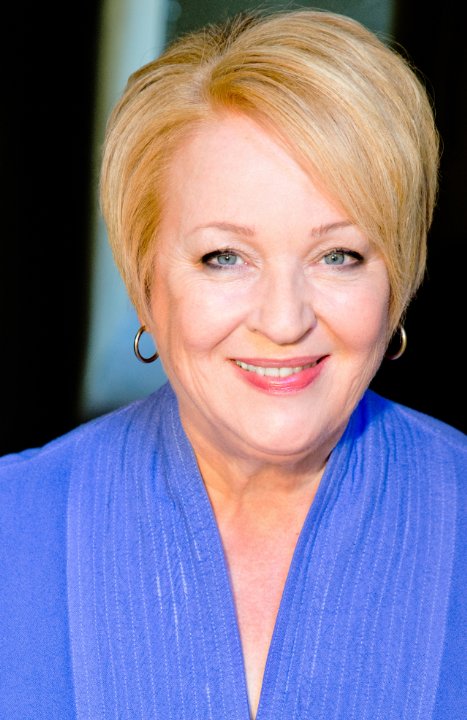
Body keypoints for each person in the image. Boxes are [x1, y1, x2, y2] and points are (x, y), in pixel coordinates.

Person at [1, 8, 465, 719]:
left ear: (397, 277)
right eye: (224, 257)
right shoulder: (13, 518)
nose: (284, 320)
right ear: (144, 280)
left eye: (338, 255)